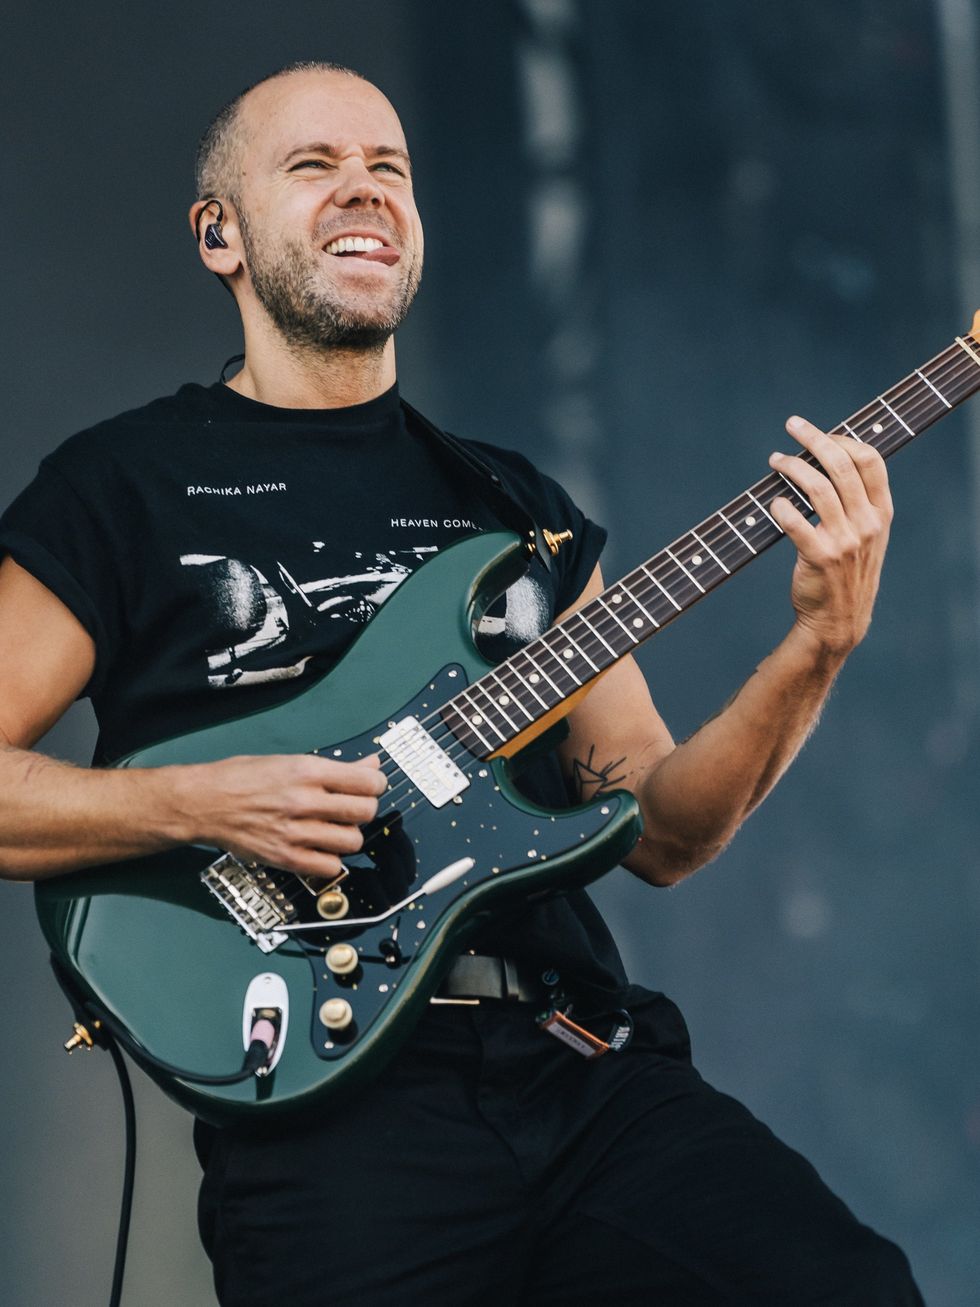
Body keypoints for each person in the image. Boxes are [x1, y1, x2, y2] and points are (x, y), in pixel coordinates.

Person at [0, 61, 922, 1305]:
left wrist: (814, 645)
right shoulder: (120, 487)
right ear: (219, 234)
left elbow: (660, 828)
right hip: (336, 1114)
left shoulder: (512, 508)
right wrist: (206, 801)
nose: (364, 188)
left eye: (389, 166)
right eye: (314, 165)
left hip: (578, 1059)